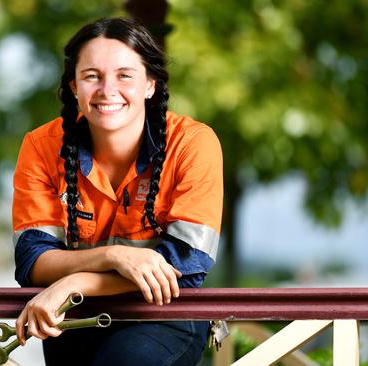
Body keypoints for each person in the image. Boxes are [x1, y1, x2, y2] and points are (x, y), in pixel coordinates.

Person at [12, 17, 223, 366]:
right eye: (92, 76)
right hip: (74, 320)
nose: (107, 89)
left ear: (150, 85)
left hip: (164, 315)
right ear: (73, 86)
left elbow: (186, 264)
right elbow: (33, 261)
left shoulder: (194, 144)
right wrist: (113, 257)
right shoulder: (40, 146)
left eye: (125, 75)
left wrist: (74, 282)